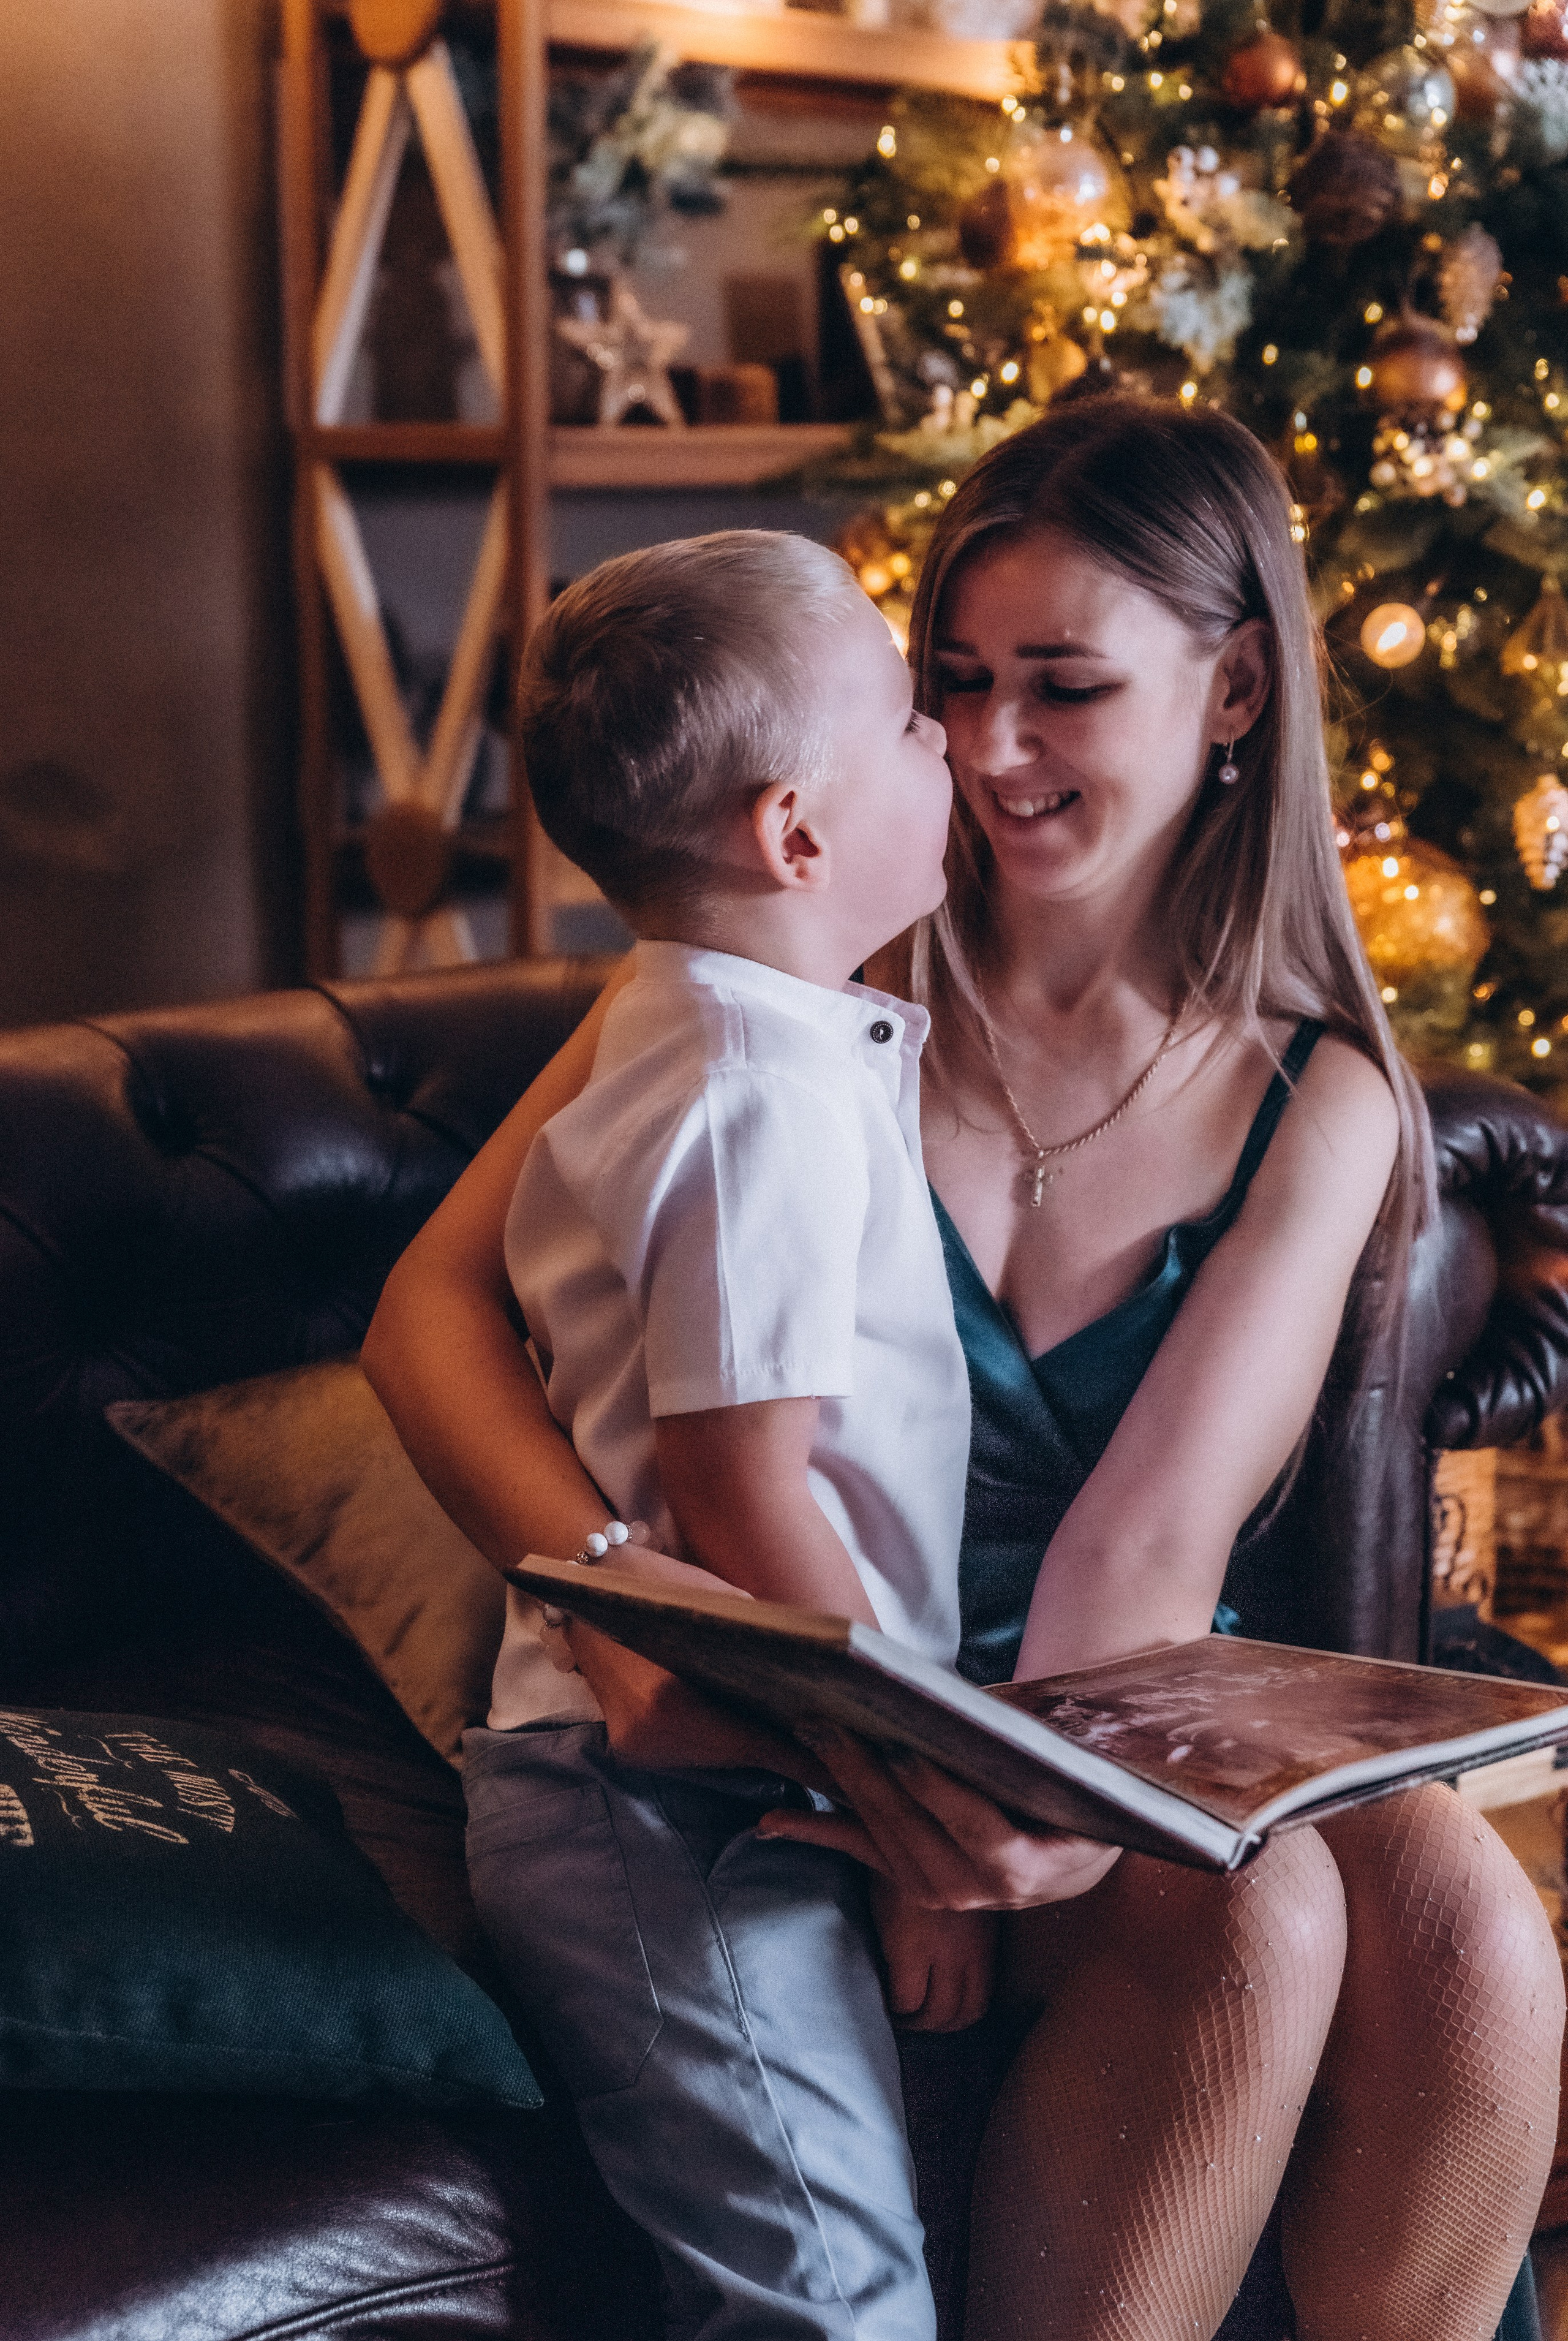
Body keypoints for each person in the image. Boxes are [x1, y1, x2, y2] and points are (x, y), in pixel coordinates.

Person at [364, 395, 1563, 2341]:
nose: (994, 748)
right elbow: (429, 1320)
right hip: (785, 1665)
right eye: (958, 684)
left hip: (1098, 1681)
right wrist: (627, 1607)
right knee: (1260, 1919)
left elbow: (1142, 1568)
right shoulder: (795, 955)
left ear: (1236, 685)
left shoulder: (1317, 1096)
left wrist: (967, 1795)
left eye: (1067, 688)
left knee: (1473, 1937)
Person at [461, 525, 1039, 2341]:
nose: (953, 738)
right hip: (664, 1803)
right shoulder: (753, 1097)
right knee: (825, 2290)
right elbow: (736, 1494)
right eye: (908, 713)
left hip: (722, 1764)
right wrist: (913, 1811)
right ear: (796, 832)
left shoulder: (728, 1029)